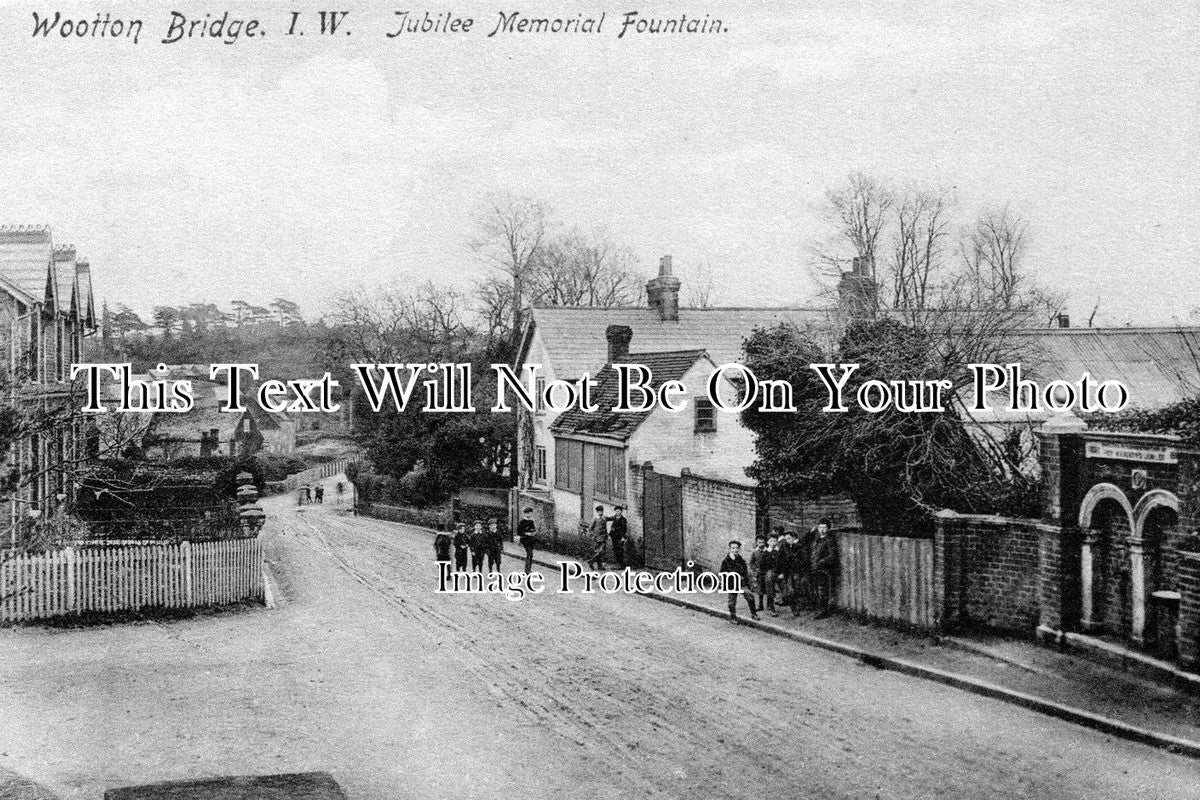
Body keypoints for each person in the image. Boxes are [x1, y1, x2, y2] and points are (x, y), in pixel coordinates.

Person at [720, 540, 759, 623]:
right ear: (729, 549)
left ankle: (754, 613)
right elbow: (722, 574)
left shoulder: (741, 560)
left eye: (737, 548)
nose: (735, 550)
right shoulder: (726, 561)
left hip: (741, 583)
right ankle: (733, 617)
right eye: (733, 548)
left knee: (750, 596)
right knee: (732, 602)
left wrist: (747, 583)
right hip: (732, 584)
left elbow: (745, 572)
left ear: (739, 549)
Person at [811, 519, 839, 618]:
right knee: (817, 589)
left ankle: (824, 611)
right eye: (820, 527)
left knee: (823, 590)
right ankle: (818, 609)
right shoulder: (817, 539)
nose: (822, 530)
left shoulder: (830, 540)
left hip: (824, 570)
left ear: (828, 528)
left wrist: (821, 562)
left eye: (824, 527)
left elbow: (832, 556)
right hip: (815, 569)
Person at [760, 532, 781, 617]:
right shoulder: (765, 553)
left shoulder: (778, 552)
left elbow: (782, 563)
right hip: (768, 574)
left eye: (775, 541)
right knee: (770, 590)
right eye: (771, 541)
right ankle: (772, 608)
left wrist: (781, 573)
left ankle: (770, 604)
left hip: (778, 573)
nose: (773, 543)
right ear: (767, 542)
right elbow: (762, 566)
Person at [517, 507, 539, 575]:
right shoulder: (522, 522)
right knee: (529, 554)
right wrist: (527, 533)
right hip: (525, 540)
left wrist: (534, 532)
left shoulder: (531, 521)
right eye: (530, 513)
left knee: (530, 554)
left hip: (531, 540)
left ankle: (528, 569)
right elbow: (519, 532)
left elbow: (533, 529)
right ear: (526, 513)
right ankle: (527, 570)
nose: (531, 514)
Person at [586, 505, 607, 570]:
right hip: (597, 538)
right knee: (599, 551)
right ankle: (592, 561)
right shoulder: (595, 519)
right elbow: (590, 529)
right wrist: (593, 535)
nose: (601, 512)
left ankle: (597, 564)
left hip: (604, 537)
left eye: (601, 511)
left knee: (601, 551)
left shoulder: (604, 518)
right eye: (599, 511)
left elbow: (611, 518)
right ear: (597, 512)